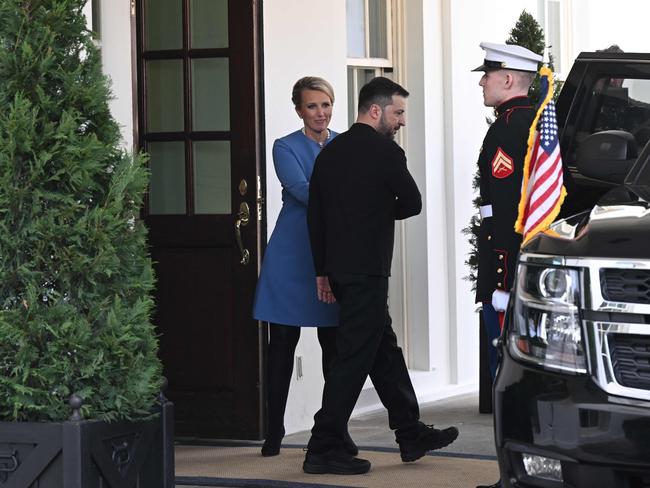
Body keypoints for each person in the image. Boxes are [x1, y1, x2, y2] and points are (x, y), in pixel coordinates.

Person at [302, 76, 459, 475]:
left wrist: (322, 271)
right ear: (376, 110)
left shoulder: (329, 153)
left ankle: (410, 432)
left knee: (381, 348)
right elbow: (412, 202)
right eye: (398, 112)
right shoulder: (386, 153)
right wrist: (372, 210)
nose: (402, 121)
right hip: (368, 268)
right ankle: (322, 447)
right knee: (354, 357)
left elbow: (315, 218)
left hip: (337, 268)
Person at [252, 76, 357, 457]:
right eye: (311, 106)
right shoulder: (285, 147)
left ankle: (334, 429)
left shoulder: (347, 144)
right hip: (292, 256)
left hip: (332, 254)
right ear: (299, 110)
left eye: (325, 104)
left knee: (334, 347)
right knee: (281, 345)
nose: (320, 113)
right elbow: (301, 191)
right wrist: (348, 197)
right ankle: (274, 429)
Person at [472, 42, 542, 488]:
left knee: (507, 370)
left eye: (488, 74)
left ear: (510, 80)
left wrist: (499, 277)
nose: (482, 81)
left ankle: (510, 477)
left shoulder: (506, 130)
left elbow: (504, 212)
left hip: (506, 262)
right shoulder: (538, 122)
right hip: (529, 259)